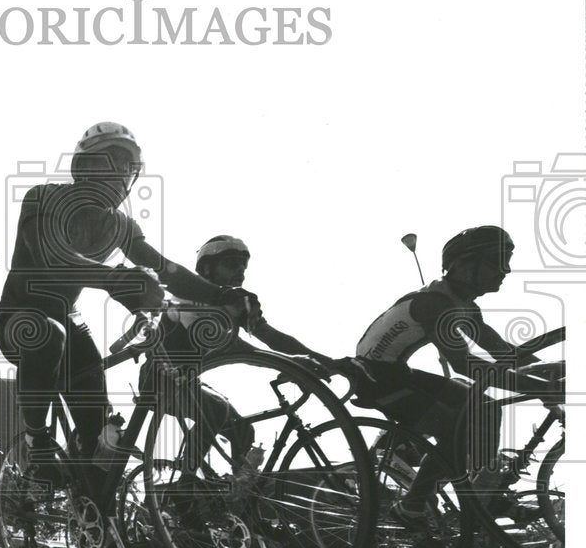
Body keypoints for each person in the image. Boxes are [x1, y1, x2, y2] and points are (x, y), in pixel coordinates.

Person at [0, 122, 263, 486]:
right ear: (83, 167)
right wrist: (114, 278)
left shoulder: (121, 225)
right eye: (113, 162)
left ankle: (93, 509)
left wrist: (222, 295)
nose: (122, 174)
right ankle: (36, 442)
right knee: (48, 335)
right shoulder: (43, 197)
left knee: (101, 437)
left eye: (129, 168)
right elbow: (52, 255)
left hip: (69, 322)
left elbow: (166, 269)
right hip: (21, 316)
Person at [352, 225, 560, 531]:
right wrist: (541, 385)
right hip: (376, 379)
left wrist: (553, 369)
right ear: (462, 266)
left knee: (488, 408)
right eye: (496, 262)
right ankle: (413, 504)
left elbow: (503, 352)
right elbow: (468, 366)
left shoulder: (462, 304)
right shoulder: (434, 304)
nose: (506, 271)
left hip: (399, 372)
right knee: (455, 428)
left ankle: (484, 490)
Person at [142, 235, 333, 490]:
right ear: (207, 269)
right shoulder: (187, 296)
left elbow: (273, 337)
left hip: (188, 381)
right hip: (158, 379)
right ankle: (184, 490)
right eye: (232, 265)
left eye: (244, 266)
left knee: (243, 432)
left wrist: (327, 361)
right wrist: (290, 363)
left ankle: (240, 503)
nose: (240, 272)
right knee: (216, 410)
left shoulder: (237, 302)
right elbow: (228, 344)